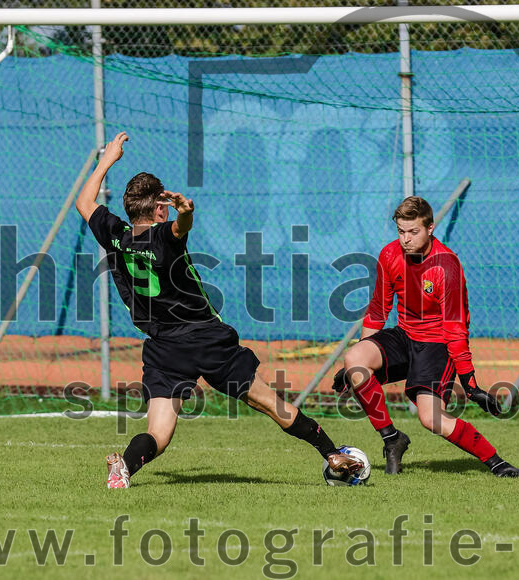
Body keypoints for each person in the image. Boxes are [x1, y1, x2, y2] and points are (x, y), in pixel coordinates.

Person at [75, 131, 362, 488]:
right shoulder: (165, 235)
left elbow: (84, 203)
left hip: (164, 346)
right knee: (273, 405)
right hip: (207, 340)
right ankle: (331, 453)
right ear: (160, 208)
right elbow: (180, 229)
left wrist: (107, 160)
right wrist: (187, 212)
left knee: (159, 433)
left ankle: (126, 468)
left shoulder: (116, 234)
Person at [333, 196, 519, 477]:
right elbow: (377, 310)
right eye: (401, 231)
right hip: (405, 335)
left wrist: (470, 387)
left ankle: (496, 463)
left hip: (437, 345)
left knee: (432, 420)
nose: (406, 239)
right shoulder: (389, 255)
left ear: (430, 228)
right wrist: (351, 367)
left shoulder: (447, 266)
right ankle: (392, 439)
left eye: (413, 232)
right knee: (355, 358)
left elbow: (456, 331)